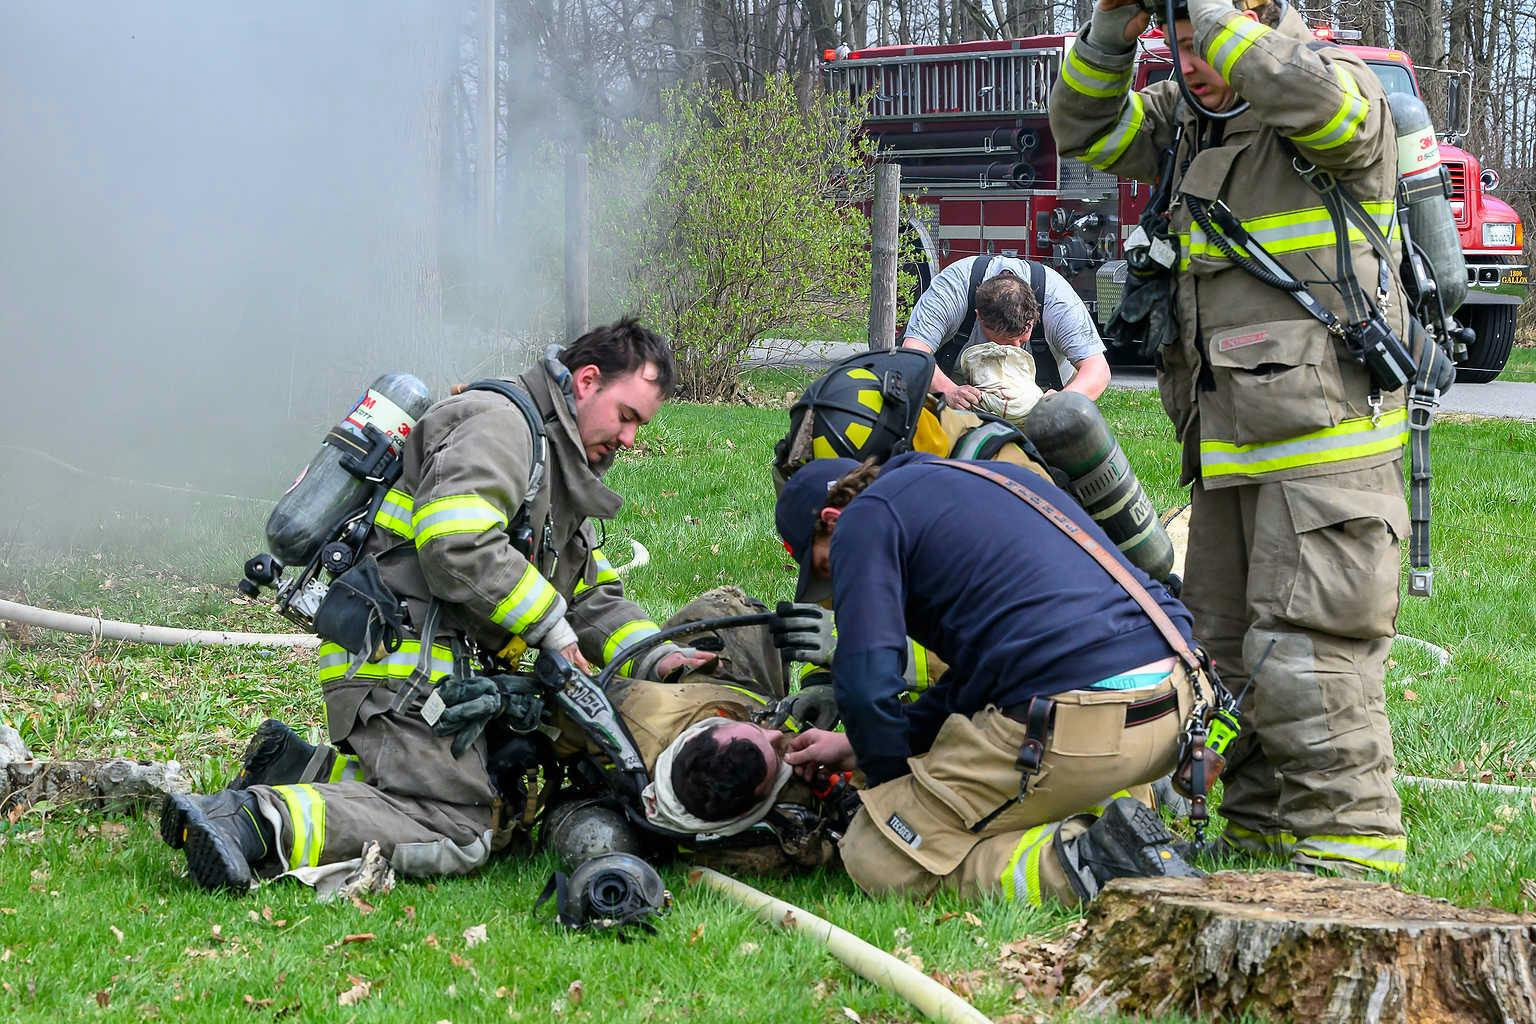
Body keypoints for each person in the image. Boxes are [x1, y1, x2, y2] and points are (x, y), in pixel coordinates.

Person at [161, 320, 714, 892]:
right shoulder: (502, 426)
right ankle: (252, 821)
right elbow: (457, 542)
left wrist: (659, 657)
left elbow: (589, 596)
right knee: (457, 826)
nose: (630, 439)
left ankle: (296, 769)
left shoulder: (554, 466)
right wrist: (551, 627)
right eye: (626, 416)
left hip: (438, 664)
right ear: (587, 381)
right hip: (399, 661)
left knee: (501, 808)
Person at [1049, 0, 1410, 875]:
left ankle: (1350, 858)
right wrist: (1111, 30)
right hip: (1227, 456)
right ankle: (1256, 838)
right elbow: (1084, 129)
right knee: (1224, 662)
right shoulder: (1185, 120)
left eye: (1204, 42)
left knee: (1309, 661)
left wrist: (1213, 17)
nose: (1192, 61)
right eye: (1177, 43)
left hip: (1326, 459)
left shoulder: (1335, 91)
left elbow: (1313, 100)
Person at [774, 455, 1206, 906]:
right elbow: (975, 680)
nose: (834, 587)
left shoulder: (863, 520)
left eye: (826, 568)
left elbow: (866, 690)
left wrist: (894, 793)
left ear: (832, 519)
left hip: (1081, 725)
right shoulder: (984, 477)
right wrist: (858, 747)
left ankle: (1097, 863)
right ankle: (1115, 817)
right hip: (1179, 703)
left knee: (876, 850)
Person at [902, 255, 1110, 408]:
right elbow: (912, 353)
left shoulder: (1059, 301)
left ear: (1034, 315)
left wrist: (1062, 401)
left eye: (1022, 338)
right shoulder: (952, 289)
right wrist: (948, 391)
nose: (1015, 348)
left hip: (1043, 403)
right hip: (958, 400)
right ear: (979, 317)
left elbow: (1098, 370)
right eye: (1006, 342)